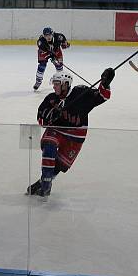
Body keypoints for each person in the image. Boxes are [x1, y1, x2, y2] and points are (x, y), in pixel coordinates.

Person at [26, 68, 115, 198]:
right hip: (57, 130)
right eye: (54, 83)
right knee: (49, 145)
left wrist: (105, 84)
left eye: (57, 83)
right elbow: (41, 119)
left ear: (66, 84)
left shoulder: (81, 94)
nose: (54, 86)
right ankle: (46, 184)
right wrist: (52, 115)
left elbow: (103, 96)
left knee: (60, 165)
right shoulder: (51, 99)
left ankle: (43, 182)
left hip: (76, 134)